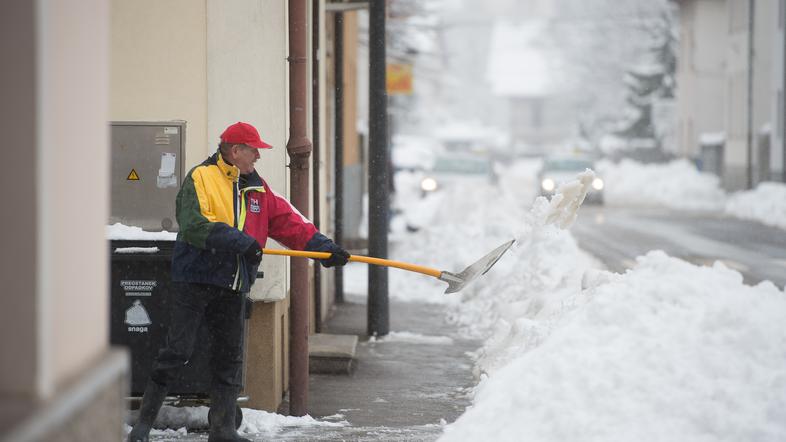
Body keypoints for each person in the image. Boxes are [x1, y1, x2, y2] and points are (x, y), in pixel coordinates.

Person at [128, 122, 350, 442]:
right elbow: (193, 225)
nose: (258, 155)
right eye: (253, 150)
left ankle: (223, 430)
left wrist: (325, 250)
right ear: (235, 151)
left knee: (228, 357)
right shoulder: (201, 178)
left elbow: (290, 223)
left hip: (233, 285)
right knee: (177, 351)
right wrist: (238, 240)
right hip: (195, 280)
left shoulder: (257, 189)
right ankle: (142, 426)